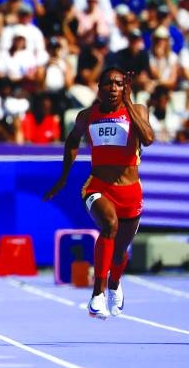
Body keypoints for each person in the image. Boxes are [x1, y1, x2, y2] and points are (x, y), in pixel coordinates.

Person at [44, 67, 154, 319]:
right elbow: (72, 142)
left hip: (130, 192)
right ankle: (97, 295)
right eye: (108, 83)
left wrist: (128, 102)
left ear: (125, 88)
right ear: (99, 88)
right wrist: (62, 179)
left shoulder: (138, 110)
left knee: (120, 250)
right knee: (109, 225)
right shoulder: (87, 116)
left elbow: (148, 138)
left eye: (119, 84)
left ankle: (114, 284)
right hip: (98, 186)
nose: (113, 88)